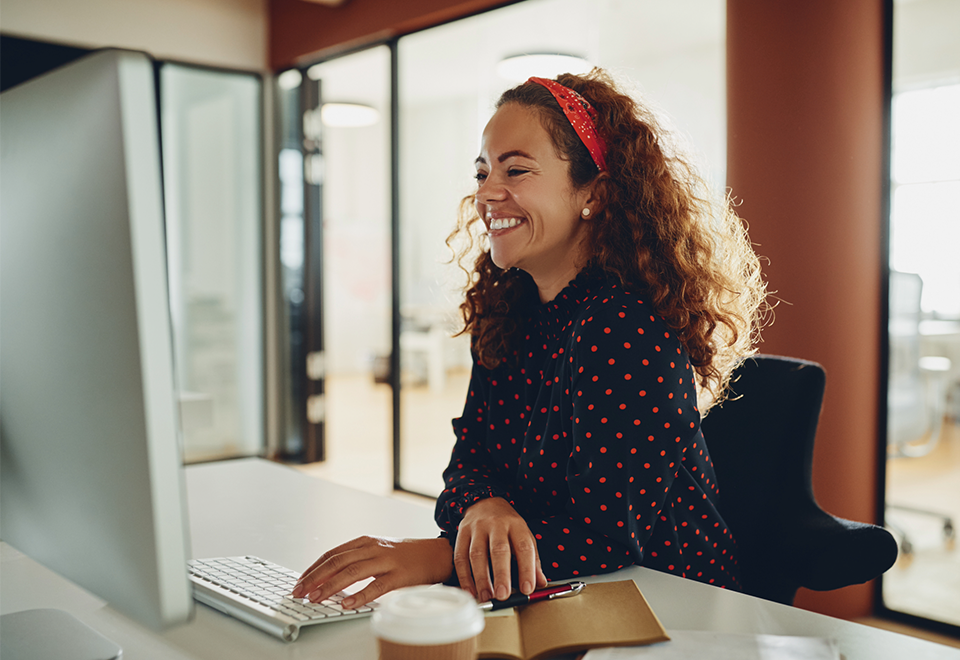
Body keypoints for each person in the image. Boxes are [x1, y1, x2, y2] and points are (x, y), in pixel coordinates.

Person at [292, 69, 766, 610]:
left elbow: (607, 535)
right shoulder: (508, 310)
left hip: (669, 605)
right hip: (552, 593)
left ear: (595, 193)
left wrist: (437, 556)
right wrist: (483, 506)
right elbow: (466, 465)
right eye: (482, 172)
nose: (488, 193)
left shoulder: (627, 327)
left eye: (516, 169)